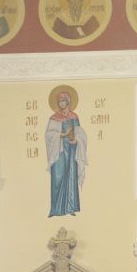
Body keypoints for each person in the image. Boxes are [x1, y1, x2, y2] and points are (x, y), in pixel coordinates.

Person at [45, 88, 86, 217]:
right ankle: (55, 209)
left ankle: (70, 207)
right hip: (59, 150)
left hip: (72, 149)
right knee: (58, 177)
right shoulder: (54, 118)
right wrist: (62, 134)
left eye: (63, 101)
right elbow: (48, 135)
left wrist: (76, 139)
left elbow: (79, 132)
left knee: (71, 176)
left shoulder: (74, 117)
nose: (61, 103)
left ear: (68, 101)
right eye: (59, 101)